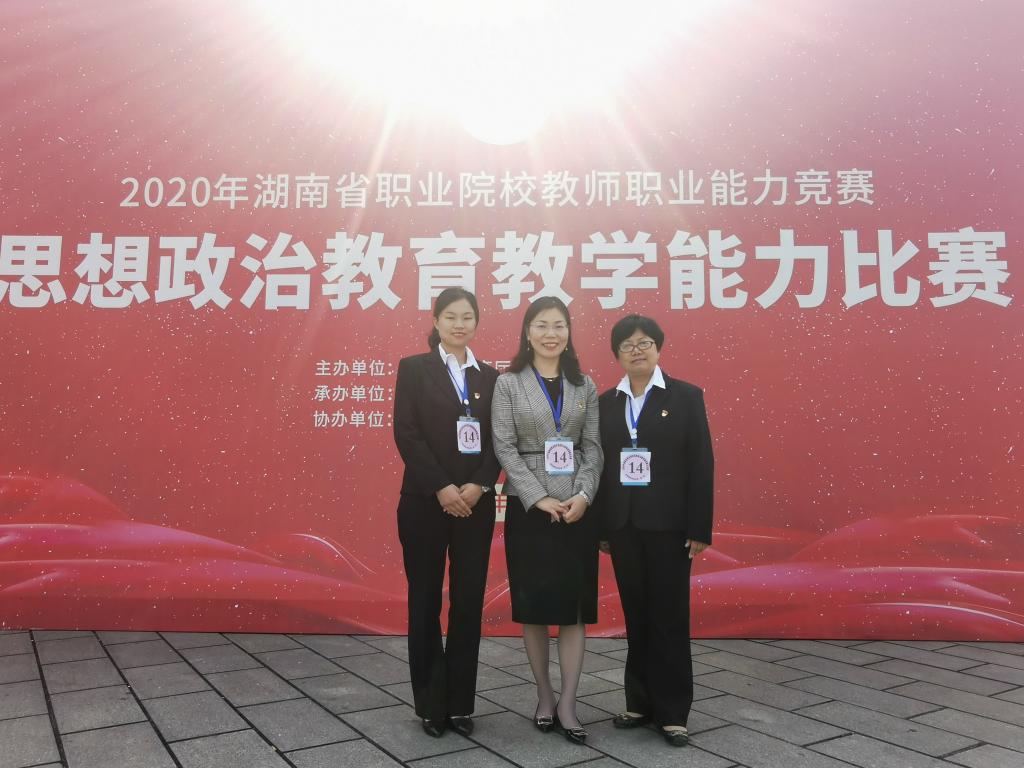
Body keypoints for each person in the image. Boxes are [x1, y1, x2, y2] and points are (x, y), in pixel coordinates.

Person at [594, 314, 714, 747]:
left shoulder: (685, 397)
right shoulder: (606, 403)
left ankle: (673, 712)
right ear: (617, 354)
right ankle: (639, 702)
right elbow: (600, 466)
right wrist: (602, 527)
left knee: (669, 616)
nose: (637, 350)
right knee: (636, 614)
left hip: (669, 526)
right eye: (627, 345)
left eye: (644, 343)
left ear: (658, 348)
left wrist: (699, 526)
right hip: (623, 525)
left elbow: (701, 462)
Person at [491, 296, 603, 744]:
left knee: (573, 612)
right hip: (529, 509)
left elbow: (593, 447)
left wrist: (584, 494)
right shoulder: (508, 383)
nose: (550, 333)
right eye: (541, 325)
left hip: (576, 510)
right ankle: (543, 695)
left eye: (558, 325)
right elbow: (503, 446)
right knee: (534, 609)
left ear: (569, 332)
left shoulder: (584, 384)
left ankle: (570, 703)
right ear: (527, 331)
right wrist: (536, 497)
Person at [393, 287, 501, 738]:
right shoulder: (414, 369)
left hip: (475, 504)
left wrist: (479, 485)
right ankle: (430, 705)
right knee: (424, 600)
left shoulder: (490, 377)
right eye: (451, 316)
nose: (460, 324)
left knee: (468, 601)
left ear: (476, 323)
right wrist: (442, 487)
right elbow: (406, 432)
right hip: (425, 501)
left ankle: (459, 704)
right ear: (436, 320)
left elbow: (499, 439)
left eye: (467, 317)